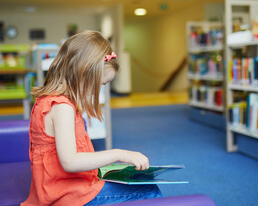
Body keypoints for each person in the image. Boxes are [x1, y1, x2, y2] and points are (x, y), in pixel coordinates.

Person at [21, 31, 162, 206]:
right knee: (150, 191)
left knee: (139, 184)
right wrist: (119, 154)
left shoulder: (54, 101)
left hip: (69, 187)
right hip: (66, 195)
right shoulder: (62, 107)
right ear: (84, 73)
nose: (99, 91)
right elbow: (70, 162)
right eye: (101, 84)